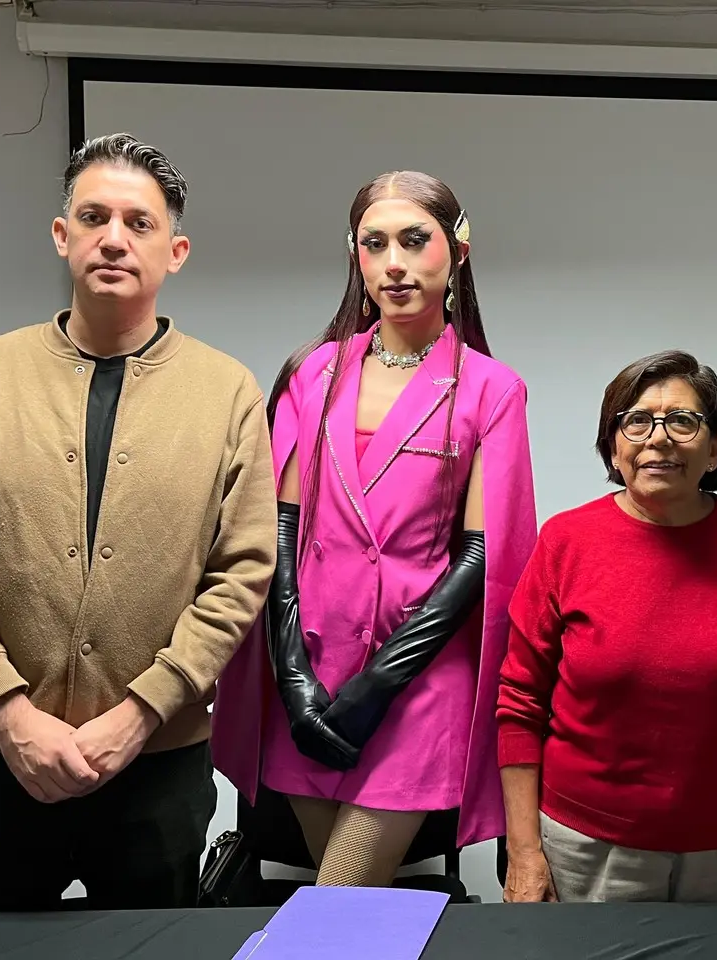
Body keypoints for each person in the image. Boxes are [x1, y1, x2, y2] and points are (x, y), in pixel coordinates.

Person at [0, 133, 277, 911]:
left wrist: (139, 715)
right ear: (61, 236)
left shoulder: (226, 392)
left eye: (138, 223)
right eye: (93, 216)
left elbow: (240, 575)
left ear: (176, 251)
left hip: (157, 767)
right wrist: (8, 715)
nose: (113, 238)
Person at [210, 171, 538, 886]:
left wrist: (380, 686)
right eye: (374, 243)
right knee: (349, 917)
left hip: (414, 687)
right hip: (311, 674)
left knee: (338, 902)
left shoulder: (490, 388)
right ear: (354, 255)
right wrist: (293, 675)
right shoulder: (314, 372)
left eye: (415, 241)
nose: (395, 263)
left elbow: (484, 555)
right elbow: (282, 529)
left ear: (458, 250)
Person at [496, 350, 717, 904]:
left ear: (716, 446)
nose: (659, 438)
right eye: (637, 421)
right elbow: (520, 703)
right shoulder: (566, 542)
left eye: (684, 422)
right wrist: (525, 852)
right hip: (589, 846)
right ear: (614, 445)